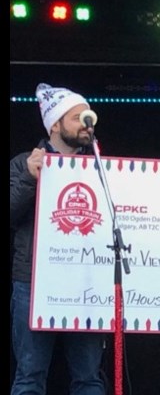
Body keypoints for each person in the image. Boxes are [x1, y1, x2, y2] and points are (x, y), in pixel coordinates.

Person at [10, 84, 107, 394]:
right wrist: (28, 177)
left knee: (89, 378)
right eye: (78, 117)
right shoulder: (24, 163)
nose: (86, 124)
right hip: (33, 283)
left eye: (89, 117)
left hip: (86, 283)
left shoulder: (100, 169)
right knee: (29, 376)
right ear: (55, 124)